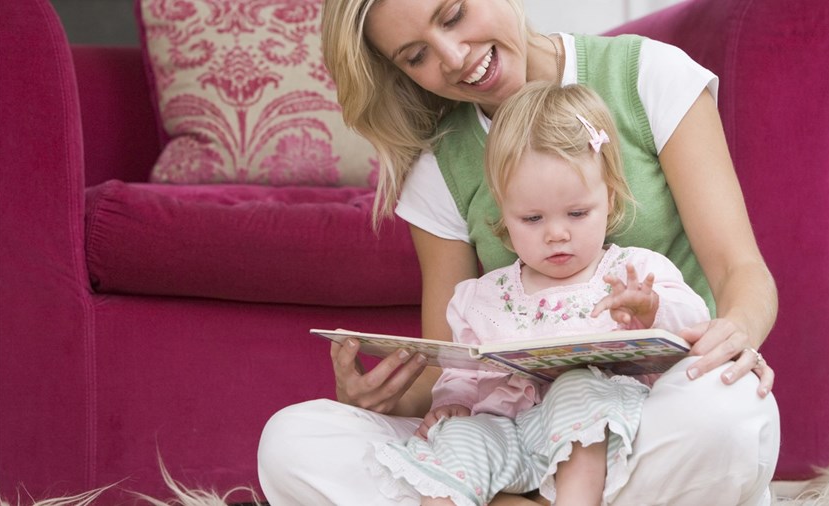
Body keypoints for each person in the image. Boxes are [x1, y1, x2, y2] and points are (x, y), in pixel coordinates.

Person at [258, 0, 780, 504]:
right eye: (416, 55)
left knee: (728, 415)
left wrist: (736, 331)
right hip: (512, 431)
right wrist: (378, 396)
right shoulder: (438, 163)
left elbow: (741, 270)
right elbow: (453, 364)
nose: (454, 56)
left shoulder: (646, 74)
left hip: (656, 415)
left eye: (454, 14)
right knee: (294, 441)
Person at [370, 81, 712, 506]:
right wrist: (452, 404)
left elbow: (695, 322)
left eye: (577, 213)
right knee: (455, 434)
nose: (556, 234)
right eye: (532, 218)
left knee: (576, 387)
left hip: (602, 431)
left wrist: (652, 308)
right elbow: (462, 373)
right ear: (504, 214)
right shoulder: (484, 296)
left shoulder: (633, 272)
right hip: (511, 432)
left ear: (608, 197)